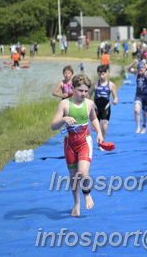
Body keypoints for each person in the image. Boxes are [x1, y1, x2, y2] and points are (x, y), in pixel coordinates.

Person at [50, 74, 103, 217]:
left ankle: (87, 194)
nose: (84, 94)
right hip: (70, 145)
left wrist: (98, 132)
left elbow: (93, 118)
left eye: (86, 91)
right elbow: (53, 126)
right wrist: (63, 119)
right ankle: (76, 204)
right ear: (73, 88)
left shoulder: (89, 104)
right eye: (80, 90)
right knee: (73, 178)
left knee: (83, 173)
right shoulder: (64, 104)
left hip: (84, 142)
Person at [89, 65, 119, 141]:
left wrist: (115, 101)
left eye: (103, 74)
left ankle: (101, 142)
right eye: (99, 74)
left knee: (105, 127)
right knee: (93, 128)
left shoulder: (111, 85)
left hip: (106, 107)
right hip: (96, 107)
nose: (101, 76)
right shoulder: (95, 84)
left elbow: (115, 97)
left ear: (107, 73)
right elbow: (88, 95)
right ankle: (99, 133)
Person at [128, 60, 147, 134]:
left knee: (144, 112)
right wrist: (133, 63)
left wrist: (145, 65)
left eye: (141, 70)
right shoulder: (136, 73)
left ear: (145, 69)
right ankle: (138, 127)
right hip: (139, 95)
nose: (140, 71)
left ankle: (144, 125)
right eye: (139, 70)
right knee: (136, 110)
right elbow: (128, 69)